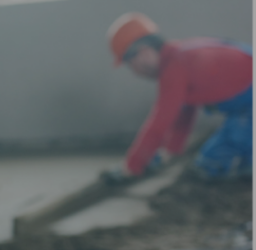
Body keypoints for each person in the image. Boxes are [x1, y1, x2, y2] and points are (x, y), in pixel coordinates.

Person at [105, 12, 253, 182]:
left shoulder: (174, 68)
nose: (135, 72)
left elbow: (159, 124)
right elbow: (184, 113)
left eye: (130, 65)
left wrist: (131, 167)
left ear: (143, 52)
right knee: (245, 158)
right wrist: (171, 150)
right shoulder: (180, 56)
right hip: (247, 102)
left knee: (210, 162)